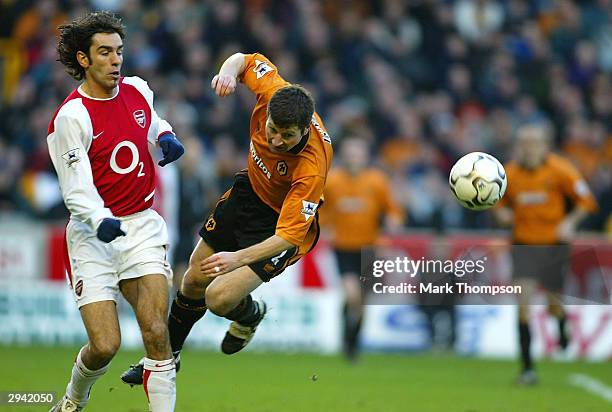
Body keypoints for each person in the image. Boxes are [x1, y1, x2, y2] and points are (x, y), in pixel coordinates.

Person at [121, 52, 333, 384]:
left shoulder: (311, 168)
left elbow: (288, 238)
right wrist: (227, 75)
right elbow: (243, 59)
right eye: (273, 130)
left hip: (277, 226)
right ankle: (163, 361)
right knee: (192, 280)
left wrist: (237, 258)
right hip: (248, 193)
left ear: (305, 129)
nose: (276, 140)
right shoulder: (274, 91)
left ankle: (250, 315)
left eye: (287, 136)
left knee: (218, 298)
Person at [47, 11, 184, 412]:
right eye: (105, 53)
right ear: (84, 59)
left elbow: (150, 119)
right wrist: (98, 219)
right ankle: (74, 399)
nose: (116, 60)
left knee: (157, 331)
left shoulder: (138, 89)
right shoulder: (71, 118)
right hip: (94, 236)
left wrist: (165, 135)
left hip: (142, 225)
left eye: (119, 51)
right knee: (106, 346)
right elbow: (76, 188)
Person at [494, 124, 597, 385]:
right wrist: (500, 214)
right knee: (523, 306)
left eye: (533, 142)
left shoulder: (561, 170)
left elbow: (586, 201)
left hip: (553, 246)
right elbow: (495, 202)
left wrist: (570, 222)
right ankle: (527, 369)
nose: (528, 148)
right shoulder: (509, 173)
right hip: (524, 246)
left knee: (553, 303)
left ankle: (561, 323)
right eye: (523, 143)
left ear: (544, 145)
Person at [320, 136, 403, 360]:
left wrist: (393, 220)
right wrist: (324, 228)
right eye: (350, 154)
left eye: (358, 154)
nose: (354, 159)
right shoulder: (333, 181)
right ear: (344, 156)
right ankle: (347, 340)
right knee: (352, 294)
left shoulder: (377, 181)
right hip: (343, 248)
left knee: (363, 302)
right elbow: (321, 210)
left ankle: (353, 345)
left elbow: (392, 209)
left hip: (369, 248)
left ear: (365, 157)